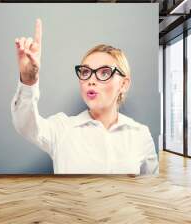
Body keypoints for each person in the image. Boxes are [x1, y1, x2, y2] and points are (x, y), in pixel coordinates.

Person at [11, 18, 158, 175]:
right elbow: (26, 125)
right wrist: (28, 79)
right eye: (86, 72)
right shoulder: (62, 129)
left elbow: (151, 187)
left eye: (104, 72)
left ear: (123, 84)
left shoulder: (140, 134)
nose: (91, 80)